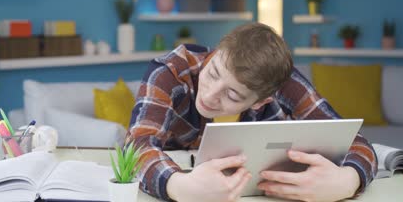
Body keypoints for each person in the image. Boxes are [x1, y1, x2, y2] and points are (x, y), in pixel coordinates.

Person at [126, 23, 377, 202]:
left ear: (260, 101)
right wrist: (178, 186)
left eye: (232, 95)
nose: (210, 94)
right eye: (213, 73)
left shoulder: (280, 82)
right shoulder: (170, 70)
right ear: (215, 53)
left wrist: (347, 181)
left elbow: (355, 141)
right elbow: (137, 145)